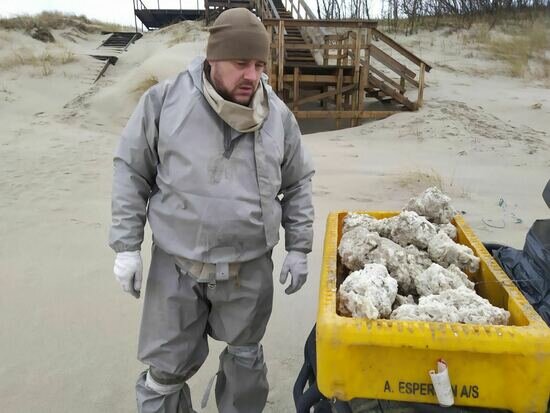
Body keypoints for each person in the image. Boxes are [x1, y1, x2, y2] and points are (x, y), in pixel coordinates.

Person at [109, 7, 315, 413]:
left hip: (248, 268)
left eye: (258, 64)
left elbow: (298, 181)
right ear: (213, 58)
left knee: (245, 360)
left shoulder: (278, 117)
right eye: (241, 63)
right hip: (177, 266)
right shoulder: (165, 103)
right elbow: (131, 170)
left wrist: (299, 247)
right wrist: (126, 247)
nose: (252, 76)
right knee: (165, 371)